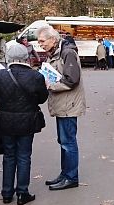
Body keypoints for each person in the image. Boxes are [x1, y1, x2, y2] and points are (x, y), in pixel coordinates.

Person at [0, 43, 49, 205]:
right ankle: (22, 193)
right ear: (26, 57)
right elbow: (42, 98)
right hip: (27, 122)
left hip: (5, 122)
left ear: (8, 57)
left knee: (8, 156)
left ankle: (7, 193)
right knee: (24, 156)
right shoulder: (36, 76)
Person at [37, 25, 86, 191]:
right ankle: (65, 174)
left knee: (68, 142)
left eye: (42, 41)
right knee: (63, 141)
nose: (40, 44)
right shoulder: (57, 52)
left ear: (53, 39)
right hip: (62, 104)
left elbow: (72, 80)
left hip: (68, 105)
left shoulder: (67, 52)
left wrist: (50, 85)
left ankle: (71, 177)